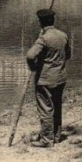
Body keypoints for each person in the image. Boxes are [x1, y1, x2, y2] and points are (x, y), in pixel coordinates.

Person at [26, 8, 71, 148]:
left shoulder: (43, 38)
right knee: (56, 106)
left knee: (45, 108)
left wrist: (33, 67)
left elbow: (30, 56)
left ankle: (46, 139)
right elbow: (68, 55)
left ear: (40, 22)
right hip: (60, 78)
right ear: (53, 20)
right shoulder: (63, 35)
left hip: (45, 79)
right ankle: (56, 136)